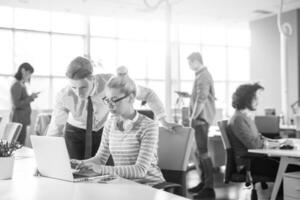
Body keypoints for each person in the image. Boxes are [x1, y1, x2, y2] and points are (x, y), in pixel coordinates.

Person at [47, 56, 178, 160]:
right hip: (75, 134)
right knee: (75, 173)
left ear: (92, 78)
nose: (79, 93)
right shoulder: (63, 95)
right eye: (74, 88)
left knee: (104, 174)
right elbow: (55, 130)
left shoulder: (110, 83)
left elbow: (148, 94)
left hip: (103, 132)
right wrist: (47, 162)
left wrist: (163, 120)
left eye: (83, 87)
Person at [71, 73, 165, 186]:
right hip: (124, 185)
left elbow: (140, 170)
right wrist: (80, 164)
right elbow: (100, 158)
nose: (110, 106)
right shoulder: (110, 124)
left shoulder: (149, 126)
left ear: (130, 98)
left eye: (115, 100)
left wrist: (99, 169)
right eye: (108, 100)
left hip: (151, 186)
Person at [228, 83, 294, 178]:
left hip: (255, 160)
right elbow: (254, 145)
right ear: (247, 99)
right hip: (248, 164)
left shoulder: (245, 117)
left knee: (289, 164)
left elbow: (259, 138)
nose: (258, 102)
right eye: (255, 98)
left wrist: (279, 142)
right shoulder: (238, 119)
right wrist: (279, 144)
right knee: (291, 169)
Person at [186, 52, 216, 199]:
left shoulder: (203, 76)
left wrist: (192, 117)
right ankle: (204, 183)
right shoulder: (200, 75)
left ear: (196, 61)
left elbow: (202, 99)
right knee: (199, 153)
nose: (189, 66)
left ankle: (209, 188)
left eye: (190, 63)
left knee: (203, 153)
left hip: (200, 120)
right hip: (201, 120)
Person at [10, 63, 39, 145]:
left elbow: (22, 100)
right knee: (18, 144)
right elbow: (17, 104)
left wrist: (31, 97)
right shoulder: (17, 85)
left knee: (21, 143)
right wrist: (30, 98)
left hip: (22, 119)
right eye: (29, 73)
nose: (29, 76)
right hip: (18, 119)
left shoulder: (22, 85)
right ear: (23, 70)